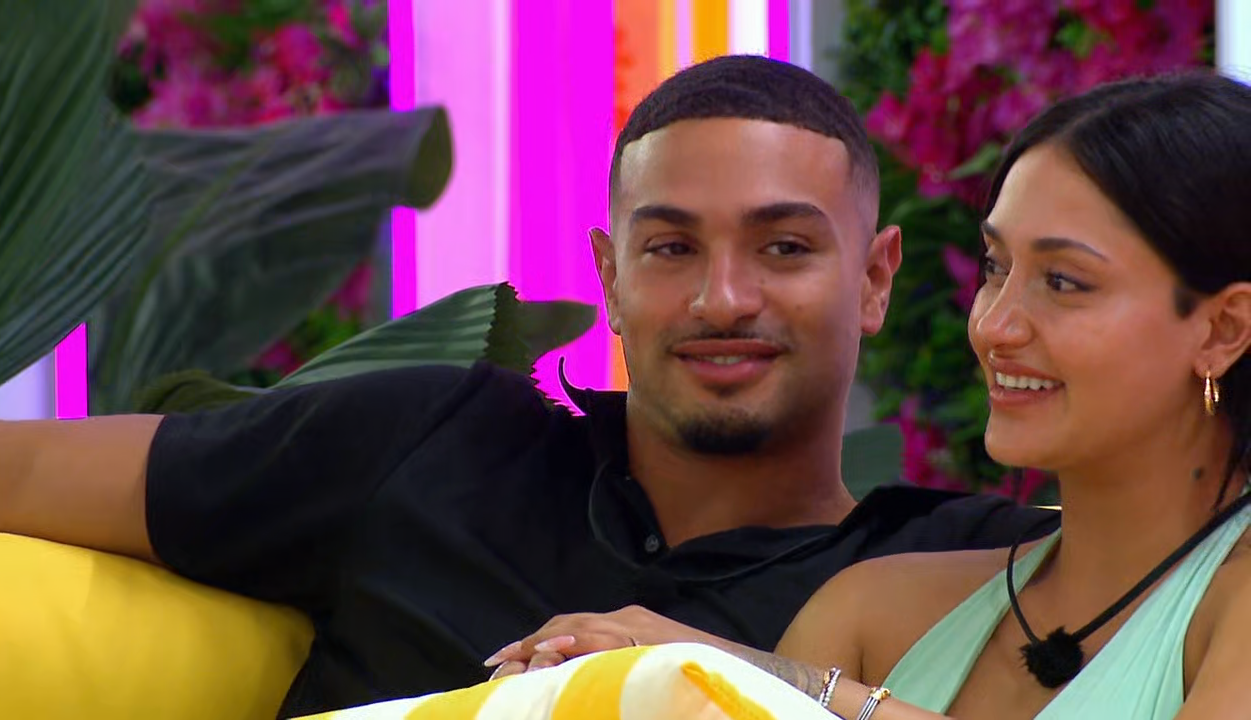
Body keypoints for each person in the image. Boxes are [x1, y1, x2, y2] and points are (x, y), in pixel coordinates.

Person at [0, 56, 1054, 718]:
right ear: (609, 281)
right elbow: (4, 474)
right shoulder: (434, 442)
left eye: (783, 248)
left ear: (873, 280)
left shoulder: (962, 571)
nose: (722, 298)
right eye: (670, 248)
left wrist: (735, 673)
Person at [494, 72, 1251, 719]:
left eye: (1064, 281)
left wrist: (782, 685)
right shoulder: (870, 611)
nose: (995, 326)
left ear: (1223, 329)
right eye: (995, 267)